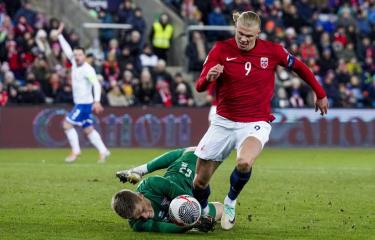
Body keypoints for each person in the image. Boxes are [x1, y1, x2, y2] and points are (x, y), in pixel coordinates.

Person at [192, 11, 329, 230]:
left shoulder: (273, 51)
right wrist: (209, 78)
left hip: (255, 122)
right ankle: (202, 213)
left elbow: (300, 67)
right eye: (240, 34)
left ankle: (230, 201)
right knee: (199, 182)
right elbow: (199, 85)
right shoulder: (220, 49)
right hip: (223, 122)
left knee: (244, 162)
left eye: (248, 35)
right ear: (235, 28)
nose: (243, 39)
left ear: (258, 33)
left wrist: (319, 92)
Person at [113, 147, 222, 233]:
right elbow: (162, 228)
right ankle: (138, 170)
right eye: (139, 217)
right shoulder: (136, 224)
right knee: (221, 210)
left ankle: (138, 170)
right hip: (183, 199)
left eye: (142, 210)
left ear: (140, 196)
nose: (145, 216)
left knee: (192, 152)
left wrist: (197, 216)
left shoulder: (152, 184)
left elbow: (186, 197)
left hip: (186, 172)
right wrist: (191, 225)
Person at [56, 23, 110, 163]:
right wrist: (60, 36)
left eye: (79, 55)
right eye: (75, 55)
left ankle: (76, 151)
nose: (77, 57)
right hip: (83, 103)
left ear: (84, 56)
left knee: (67, 125)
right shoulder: (74, 62)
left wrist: (97, 101)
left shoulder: (88, 69)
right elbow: (67, 50)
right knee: (88, 129)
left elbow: (96, 84)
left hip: (83, 104)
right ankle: (103, 151)